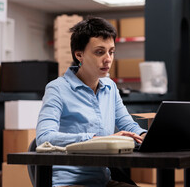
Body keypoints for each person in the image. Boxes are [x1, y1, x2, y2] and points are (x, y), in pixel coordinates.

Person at [36, 17, 147, 187]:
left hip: (102, 181)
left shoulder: (110, 87)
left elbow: (127, 124)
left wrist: (144, 136)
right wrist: (97, 140)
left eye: (111, 51)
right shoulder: (57, 89)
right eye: (99, 52)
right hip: (68, 183)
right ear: (79, 55)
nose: (108, 59)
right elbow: (44, 138)